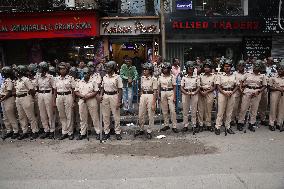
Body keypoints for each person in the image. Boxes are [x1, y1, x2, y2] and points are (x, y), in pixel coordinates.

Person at [237, 60, 267, 132]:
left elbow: (264, 85)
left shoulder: (262, 76)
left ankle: (251, 123)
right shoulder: (247, 74)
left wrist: (259, 91)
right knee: (243, 108)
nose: (256, 67)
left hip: (257, 92)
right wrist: (241, 89)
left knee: (254, 109)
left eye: (257, 66)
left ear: (260, 67)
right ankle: (240, 123)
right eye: (255, 66)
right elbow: (241, 81)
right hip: (247, 91)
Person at [75, 67, 100, 140]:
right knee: (83, 118)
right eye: (84, 73)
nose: (85, 74)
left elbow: (96, 91)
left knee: (94, 117)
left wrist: (88, 96)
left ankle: (98, 132)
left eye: (87, 73)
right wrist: (82, 96)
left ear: (90, 74)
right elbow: (76, 91)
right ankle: (83, 133)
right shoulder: (79, 82)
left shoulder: (93, 81)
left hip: (91, 100)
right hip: (82, 100)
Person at [100, 61, 123, 140]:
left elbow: (120, 90)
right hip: (106, 96)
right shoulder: (104, 77)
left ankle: (117, 132)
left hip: (114, 96)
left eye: (108, 67)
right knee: (106, 115)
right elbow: (102, 87)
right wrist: (101, 95)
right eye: (106, 67)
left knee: (116, 115)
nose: (106, 69)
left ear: (113, 68)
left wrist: (119, 101)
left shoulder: (117, 77)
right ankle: (107, 132)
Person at [134, 62, 157, 139]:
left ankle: (149, 131)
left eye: (146, 69)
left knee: (150, 114)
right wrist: (140, 99)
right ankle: (141, 129)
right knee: (141, 114)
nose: (144, 71)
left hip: (151, 95)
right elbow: (141, 89)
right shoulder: (142, 78)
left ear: (150, 70)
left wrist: (154, 103)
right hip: (143, 95)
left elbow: (155, 92)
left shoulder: (154, 79)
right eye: (143, 69)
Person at [15, 65, 39, 140]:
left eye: (17, 71)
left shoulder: (26, 80)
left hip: (26, 97)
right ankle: (24, 131)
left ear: (20, 72)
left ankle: (35, 131)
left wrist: (30, 97)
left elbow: (32, 90)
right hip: (18, 98)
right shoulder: (17, 80)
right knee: (21, 116)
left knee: (30, 116)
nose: (15, 73)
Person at [215, 59, 238, 135]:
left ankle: (227, 126)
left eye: (228, 66)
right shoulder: (220, 75)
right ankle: (217, 127)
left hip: (231, 93)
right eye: (225, 66)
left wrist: (232, 92)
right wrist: (224, 93)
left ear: (231, 67)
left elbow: (237, 86)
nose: (227, 67)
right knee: (220, 111)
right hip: (222, 93)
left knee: (229, 111)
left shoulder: (234, 75)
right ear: (223, 67)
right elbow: (218, 86)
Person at [54, 62, 75, 140]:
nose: (62, 70)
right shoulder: (56, 79)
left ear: (67, 70)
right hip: (59, 96)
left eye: (64, 69)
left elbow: (73, 90)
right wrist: (54, 101)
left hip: (68, 96)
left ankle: (70, 132)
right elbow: (55, 90)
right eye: (60, 69)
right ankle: (64, 132)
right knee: (62, 115)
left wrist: (73, 100)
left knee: (69, 115)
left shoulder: (70, 78)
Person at [36, 62, 55, 139]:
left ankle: (52, 130)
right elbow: (37, 87)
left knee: (49, 113)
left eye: (40, 68)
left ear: (44, 69)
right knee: (42, 113)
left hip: (48, 94)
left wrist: (53, 99)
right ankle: (46, 130)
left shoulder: (50, 77)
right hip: (40, 94)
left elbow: (54, 88)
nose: (39, 69)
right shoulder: (38, 77)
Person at [180, 61, 200, 134]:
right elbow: (181, 87)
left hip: (194, 93)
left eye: (192, 68)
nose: (191, 69)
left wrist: (195, 92)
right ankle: (185, 125)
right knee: (185, 110)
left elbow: (198, 87)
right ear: (187, 68)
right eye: (189, 68)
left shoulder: (196, 77)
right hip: (186, 94)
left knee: (194, 110)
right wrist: (186, 93)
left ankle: (194, 125)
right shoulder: (184, 77)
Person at [158, 62, 178, 133]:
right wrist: (159, 95)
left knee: (172, 110)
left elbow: (174, 87)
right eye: (163, 68)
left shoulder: (172, 76)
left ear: (169, 69)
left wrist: (174, 96)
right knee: (164, 110)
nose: (164, 69)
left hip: (170, 92)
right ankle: (166, 124)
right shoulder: (160, 77)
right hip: (163, 92)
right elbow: (159, 87)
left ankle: (174, 126)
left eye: (166, 68)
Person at [0, 66, 19, 140]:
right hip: (4, 100)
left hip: (9, 100)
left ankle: (15, 131)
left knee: (11, 116)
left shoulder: (10, 81)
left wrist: (1, 99)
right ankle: (9, 130)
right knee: (5, 117)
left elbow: (9, 92)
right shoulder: (5, 81)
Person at [198, 59, 216, 132]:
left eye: (208, 67)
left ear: (211, 68)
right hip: (201, 93)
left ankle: (208, 124)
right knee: (200, 109)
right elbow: (198, 85)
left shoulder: (213, 76)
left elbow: (214, 86)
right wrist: (201, 92)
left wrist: (207, 91)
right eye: (205, 67)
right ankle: (200, 124)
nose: (206, 68)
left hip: (209, 93)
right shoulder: (200, 76)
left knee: (208, 109)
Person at [268, 59, 284, 132]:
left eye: (282, 69)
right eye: (279, 69)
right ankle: (271, 123)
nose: (280, 70)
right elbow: (269, 87)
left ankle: (279, 123)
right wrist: (277, 88)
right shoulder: (273, 77)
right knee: (273, 108)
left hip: (283, 94)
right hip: (274, 93)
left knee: (281, 109)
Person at [232, 60, 245, 124]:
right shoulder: (234, 73)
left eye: (242, 65)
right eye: (239, 65)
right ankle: (232, 119)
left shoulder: (247, 73)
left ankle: (239, 118)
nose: (241, 67)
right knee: (234, 106)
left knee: (242, 106)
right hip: (236, 91)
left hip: (244, 91)